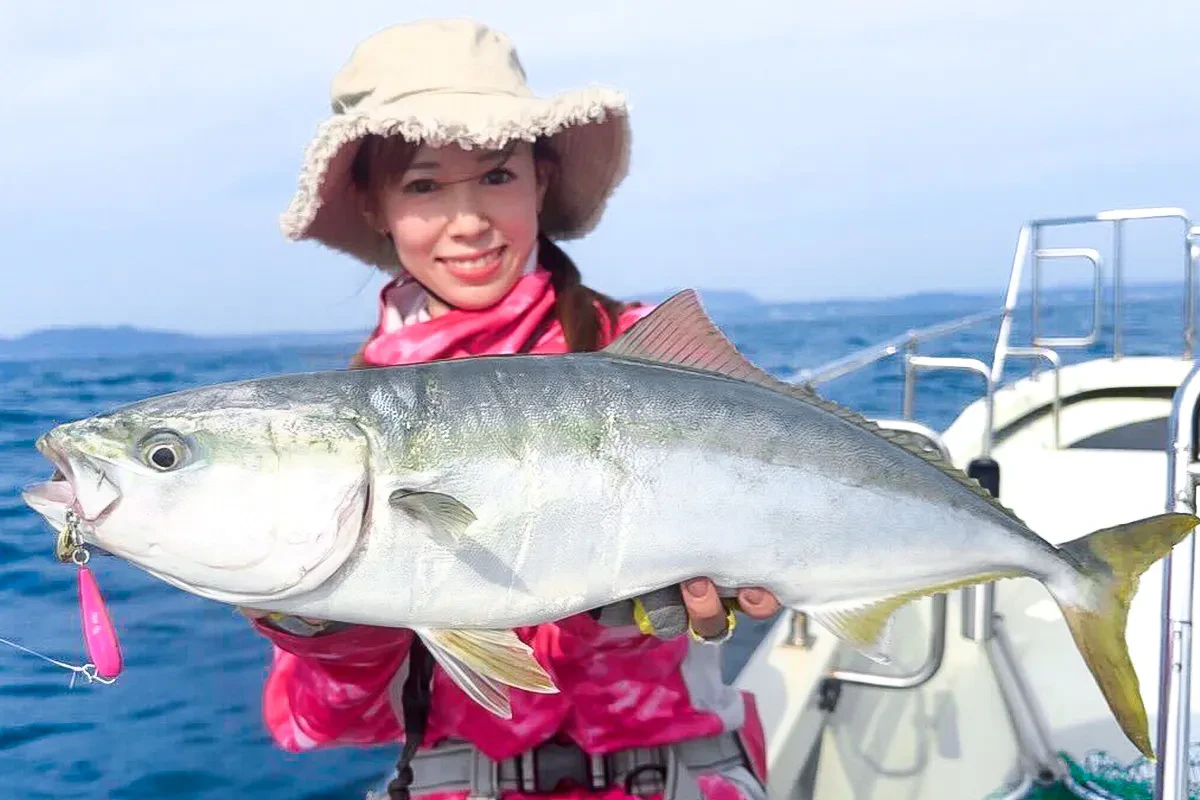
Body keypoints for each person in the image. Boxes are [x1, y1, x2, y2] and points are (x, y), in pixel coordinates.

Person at [247, 18, 782, 800]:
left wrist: (732, 581)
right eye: (424, 185)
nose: (468, 222)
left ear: (542, 178)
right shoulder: (329, 433)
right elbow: (324, 721)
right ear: (374, 204)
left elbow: (776, 524)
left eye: (496, 176)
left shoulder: (641, 352)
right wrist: (319, 618)